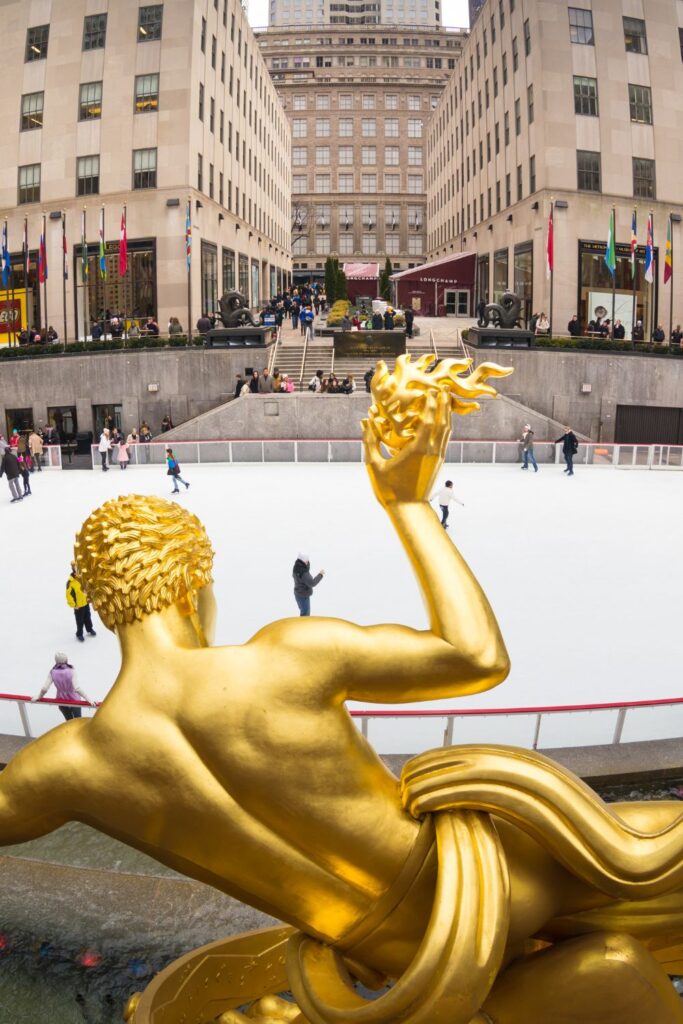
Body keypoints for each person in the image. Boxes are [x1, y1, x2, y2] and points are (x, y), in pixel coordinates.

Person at [32, 653, 96, 721]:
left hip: (61, 701)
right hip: (74, 701)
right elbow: (77, 688)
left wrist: (39, 696)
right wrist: (89, 699)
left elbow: (44, 688)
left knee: (69, 722)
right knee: (78, 722)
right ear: (66, 660)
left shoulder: (52, 672)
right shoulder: (72, 671)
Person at [66, 562, 96, 642]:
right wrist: (73, 605)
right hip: (78, 606)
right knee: (80, 621)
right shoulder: (71, 583)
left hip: (85, 603)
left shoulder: (83, 579)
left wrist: (89, 597)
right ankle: (79, 634)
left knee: (88, 618)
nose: (79, 573)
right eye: (77, 571)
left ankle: (89, 629)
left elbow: (88, 588)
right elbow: (68, 596)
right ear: (74, 571)